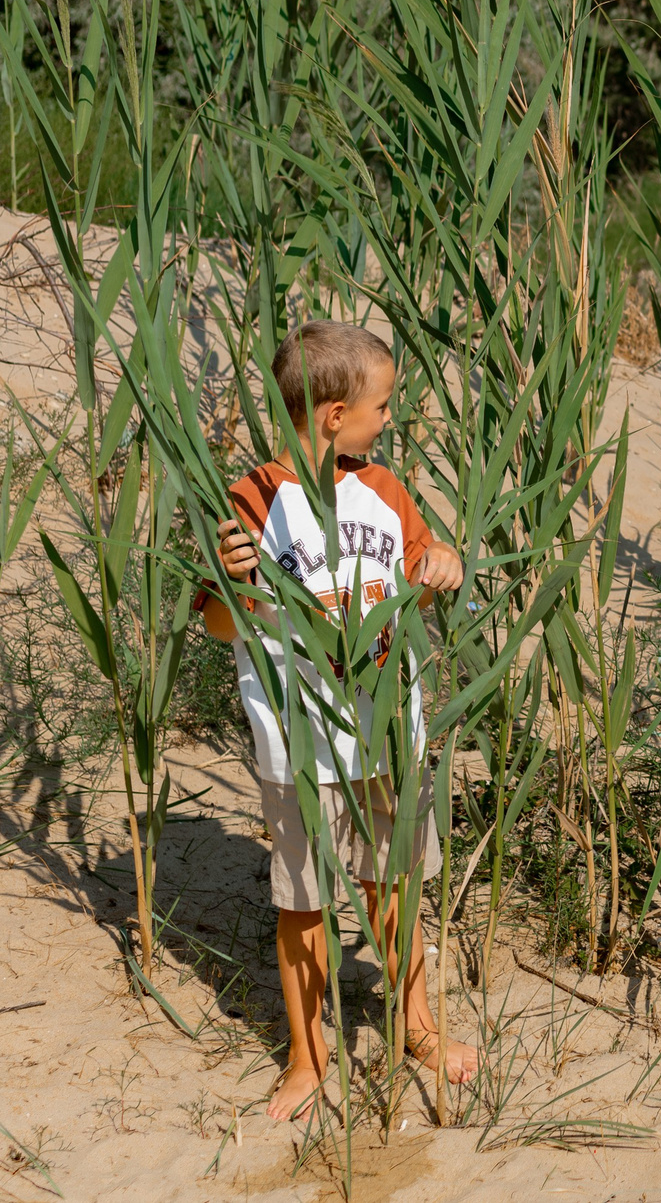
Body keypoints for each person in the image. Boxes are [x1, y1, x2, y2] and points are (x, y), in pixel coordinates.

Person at [199, 320, 477, 1122]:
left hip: (383, 732)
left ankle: (416, 1026)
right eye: (381, 405)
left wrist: (442, 568)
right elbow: (221, 625)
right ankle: (307, 1057)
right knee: (304, 900)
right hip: (298, 738)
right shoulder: (252, 498)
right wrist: (229, 580)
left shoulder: (385, 490)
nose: (388, 419)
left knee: (392, 886)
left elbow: (417, 581)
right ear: (332, 413)